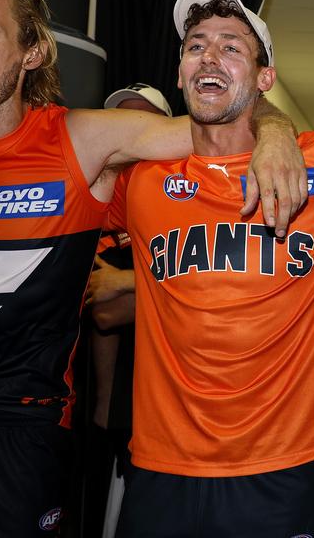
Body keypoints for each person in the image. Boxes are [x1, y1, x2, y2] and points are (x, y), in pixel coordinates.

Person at [0, 0, 304, 537]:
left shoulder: (84, 139)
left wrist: (278, 128)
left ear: (33, 52)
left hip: (21, 427)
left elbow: (220, 121)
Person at [107, 0, 314, 538]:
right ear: (179, 73)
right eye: (195, 44)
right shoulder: (141, 181)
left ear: (265, 79)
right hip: (161, 469)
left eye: (232, 46)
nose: (209, 55)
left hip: (281, 468)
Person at [83, 83, 173, 538]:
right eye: (122, 116)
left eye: (142, 116)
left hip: (183, 394)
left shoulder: (191, 183)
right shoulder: (102, 190)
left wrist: (129, 281)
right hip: (125, 398)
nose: (130, 127)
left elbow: (215, 287)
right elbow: (103, 310)